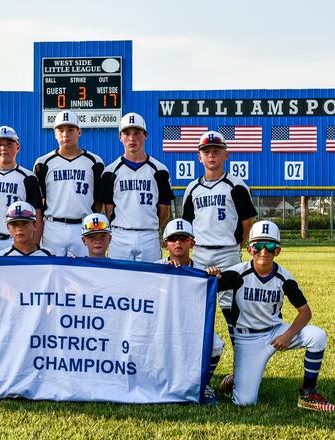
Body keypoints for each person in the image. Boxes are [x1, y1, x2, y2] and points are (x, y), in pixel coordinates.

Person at [214, 220, 335, 412]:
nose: (264, 251)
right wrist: (210, 274)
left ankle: (308, 393)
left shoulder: (284, 277)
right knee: (244, 403)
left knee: (317, 336)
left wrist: (287, 335)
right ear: (250, 250)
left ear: (277, 251)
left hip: (275, 332)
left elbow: (305, 312)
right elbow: (205, 285)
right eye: (259, 246)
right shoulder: (237, 273)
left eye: (270, 246)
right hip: (247, 339)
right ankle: (238, 376)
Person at [182, 130, 257, 390]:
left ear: (225, 154)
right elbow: (188, 225)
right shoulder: (192, 188)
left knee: (233, 315)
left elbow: (248, 222)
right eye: (206, 152)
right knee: (196, 313)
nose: (211, 155)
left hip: (228, 253)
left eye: (216, 151)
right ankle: (194, 369)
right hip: (201, 253)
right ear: (199, 157)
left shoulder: (236, 185)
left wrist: (237, 245)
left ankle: (240, 372)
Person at [154, 218, 225, 404]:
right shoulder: (154, 268)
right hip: (160, 325)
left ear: (192, 243)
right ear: (165, 244)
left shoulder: (202, 272)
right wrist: (163, 276)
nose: (178, 243)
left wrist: (213, 276)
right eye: (173, 239)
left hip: (188, 326)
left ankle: (202, 384)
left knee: (215, 344)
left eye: (183, 238)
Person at [99, 112, 174, 262]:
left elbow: (163, 209)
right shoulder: (110, 171)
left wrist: (151, 227)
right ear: (120, 136)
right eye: (126, 133)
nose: (132, 138)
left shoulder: (160, 170)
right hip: (120, 235)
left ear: (145, 135)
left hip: (149, 234)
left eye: (137, 133)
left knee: (151, 281)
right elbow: (109, 209)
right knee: (119, 281)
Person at [34, 110, 104, 257]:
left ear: (79, 132)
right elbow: (39, 205)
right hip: (53, 226)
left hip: (83, 225)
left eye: (70, 129)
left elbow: (98, 201)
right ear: (55, 133)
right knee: (53, 273)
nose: (65, 134)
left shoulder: (94, 162)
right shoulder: (43, 163)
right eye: (61, 130)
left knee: (83, 273)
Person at [0, 126, 43, 257]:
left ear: (18, 147)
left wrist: (35, 244)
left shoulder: (28, 177)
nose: (4, 148)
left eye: (9, 144)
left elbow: (37, 213)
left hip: (15, 241)